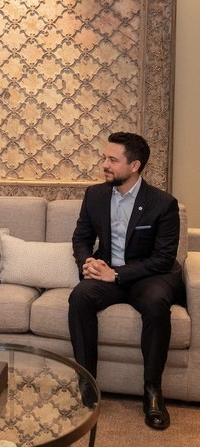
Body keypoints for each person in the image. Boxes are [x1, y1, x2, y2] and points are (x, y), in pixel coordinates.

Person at [69, 132, 185, 430]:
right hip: (107, 272)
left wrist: (117, 274)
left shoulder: (163, 203)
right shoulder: (94, 195)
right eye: (104, 157)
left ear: (134, 165)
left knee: (158, 305)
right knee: (79, 296)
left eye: (112, 159)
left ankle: (152, 392)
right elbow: (81, 237)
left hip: (148, 276)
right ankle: (87, 382)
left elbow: (162, 258)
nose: (104, 164)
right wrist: (88, 262)